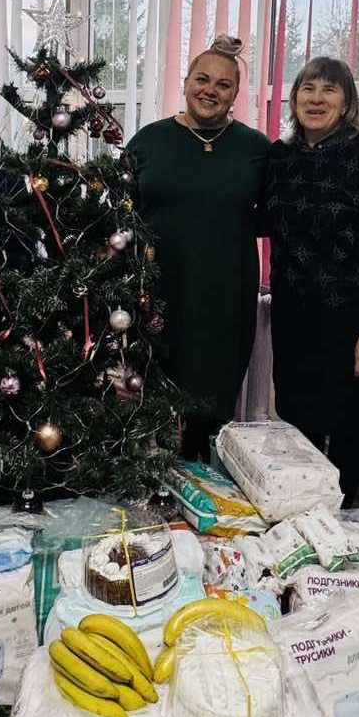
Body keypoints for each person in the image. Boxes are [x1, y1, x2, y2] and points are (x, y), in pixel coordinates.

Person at [265, 56, 359, 506]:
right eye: (307, 89)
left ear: (347, 103)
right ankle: (302, 513)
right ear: (294, 99)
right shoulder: (279, 157)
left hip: (350, 317)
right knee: (296, 417)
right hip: (292, 313)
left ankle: (342, 519)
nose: (316, 98)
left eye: (329, 90)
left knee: (346, 424)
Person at [126, 35, 270, 459]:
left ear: (236, 94)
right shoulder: (148, 141)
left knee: (211, 406)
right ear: (186, 82)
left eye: (223, 84)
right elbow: (118, 216)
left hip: (225, 297)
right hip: (156, 295)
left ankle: (202, 486)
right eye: (202, 79)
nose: (211, 90)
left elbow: (276, 215)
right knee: (153, 399)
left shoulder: (257, 149)